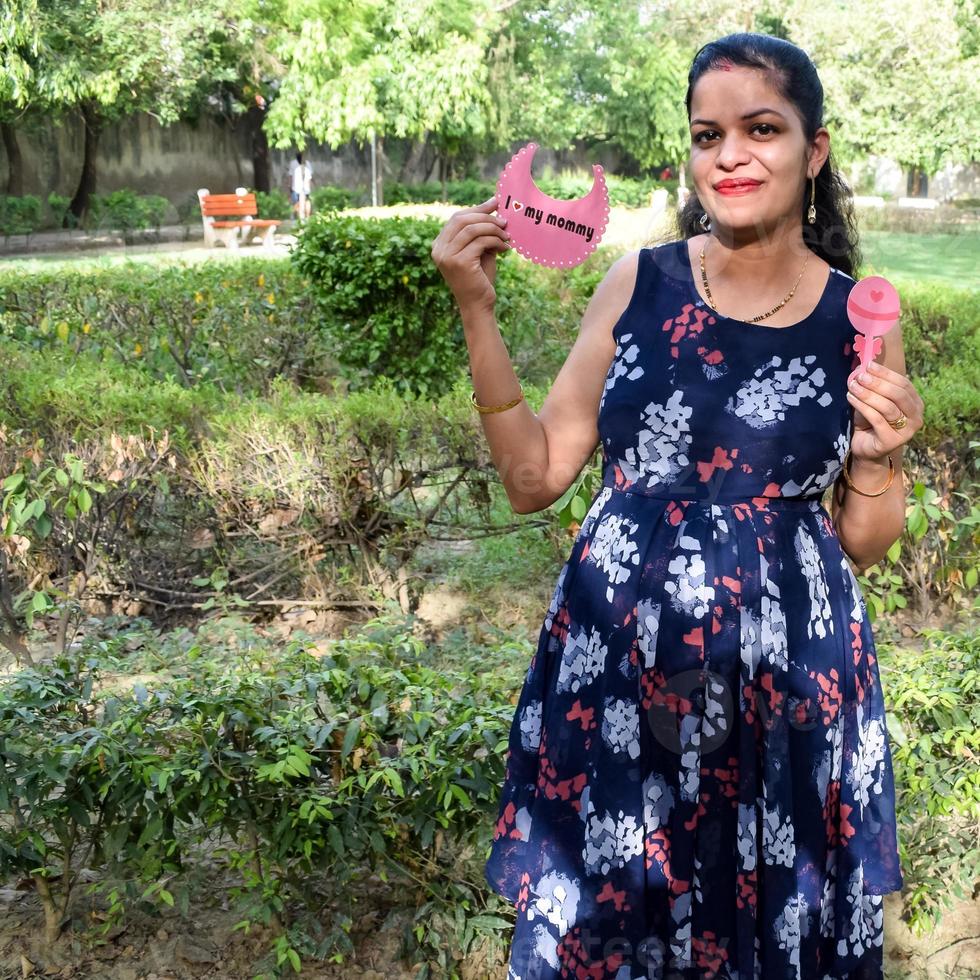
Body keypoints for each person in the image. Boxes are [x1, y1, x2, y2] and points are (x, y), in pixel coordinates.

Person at [431, 31, 924, 980]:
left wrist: (877, 455)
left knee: (767, 924)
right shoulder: (638, 283)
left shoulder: (860, 318)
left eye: (761, 128)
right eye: (708, 134)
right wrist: (477, 312)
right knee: (624, 917)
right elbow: (534, 478)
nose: (730, 154)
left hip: (785, 688)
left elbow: (864, 541)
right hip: (624, 672)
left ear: (813, 151)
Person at [288, 151, 312, 220]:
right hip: (305, 189)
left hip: (296, 189)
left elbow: (291, 177)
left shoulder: (296, 169)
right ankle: (307, 216)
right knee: (307, 202)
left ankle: (299, 217)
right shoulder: (307, 168)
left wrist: (289, 186)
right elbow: (309, 180)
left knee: (296, 203)